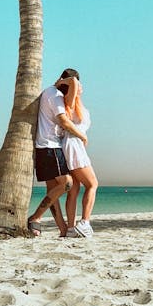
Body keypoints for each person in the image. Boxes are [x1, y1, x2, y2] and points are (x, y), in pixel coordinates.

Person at [27, 68, 88, 238]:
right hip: (50, 146)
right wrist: (81, 135)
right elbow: (63, 120)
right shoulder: (55, 94)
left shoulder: (52, 92)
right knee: (67, 184)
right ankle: (36, 217)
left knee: (52, 191)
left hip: (44, 147)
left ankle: (62, 229)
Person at [60, 75, 98, 238]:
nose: (80, 86)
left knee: (74, 189)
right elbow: (73, 82)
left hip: (74, 146)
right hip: (73, 146)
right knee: (92, 184)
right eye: (78, 84)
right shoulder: (70, 102)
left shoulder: (77, 104)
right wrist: (62, 82)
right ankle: (84, 222)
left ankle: (70, 229)